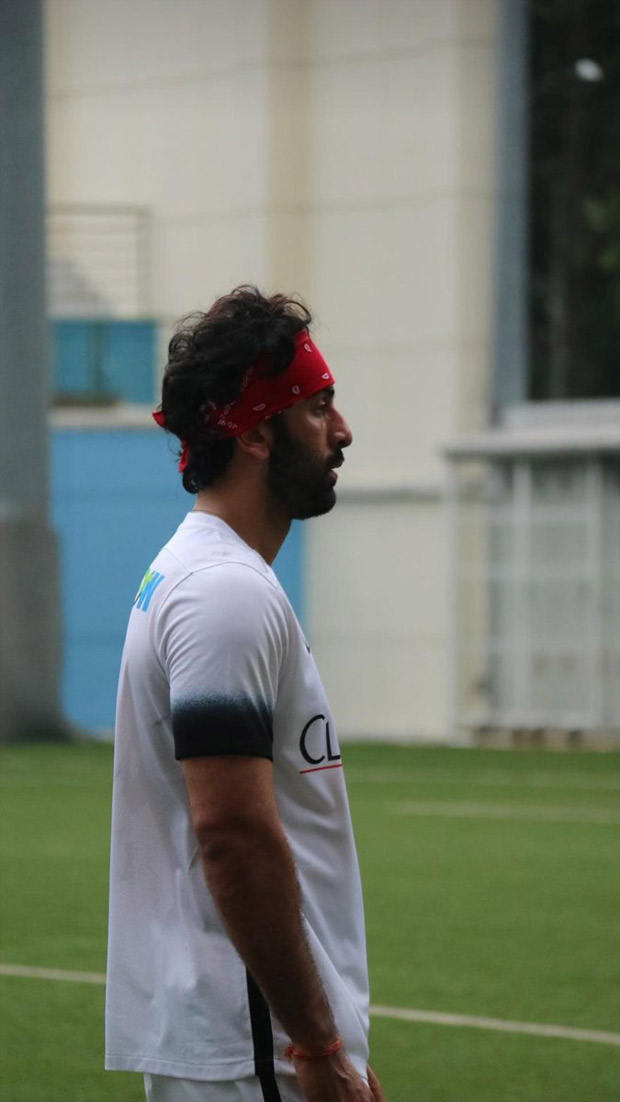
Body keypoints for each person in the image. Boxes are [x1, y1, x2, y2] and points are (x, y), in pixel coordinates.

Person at [105, 286, 385, 1102]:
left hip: (249, 1041)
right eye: (318, 407)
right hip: (250, 1042)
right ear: (256, 432)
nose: (342, 431)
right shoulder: (223, 591)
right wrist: (318, 1042)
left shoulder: (206, 576)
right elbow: (232, 832)